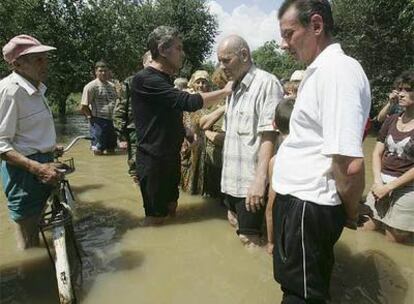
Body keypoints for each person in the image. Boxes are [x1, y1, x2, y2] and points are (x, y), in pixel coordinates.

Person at [272, 0, 371, 302]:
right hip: (300, 204)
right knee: (298, 288)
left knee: (303, 295)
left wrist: (350, 212)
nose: (283, 44)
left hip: (308, 205)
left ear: (316, 25)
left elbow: (349, 164)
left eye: (288, 34)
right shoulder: (321, 71)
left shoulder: (338, 72)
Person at [131, 26, 233, 226]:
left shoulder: (164, 79)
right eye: (178, 48)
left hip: (170, 158)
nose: (183, 53)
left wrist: (185, 132)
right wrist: (225, 92)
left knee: (171, 209)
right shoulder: (145, 79)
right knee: (155, 221)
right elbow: (186, 101)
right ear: (162, 50)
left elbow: (165, 115)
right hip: (153, 161)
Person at [217, 35, 283, 246]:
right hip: (230, 183)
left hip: (250, 184)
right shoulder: (232, 88)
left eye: (225, 60)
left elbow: (269, 135)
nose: (221, 66)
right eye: (219, 60)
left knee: (251, 239)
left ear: (244, 55)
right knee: (234, 225)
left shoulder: (267, 84)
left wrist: (259, 180)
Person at [0, 35, 63, 249]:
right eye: (38, 60)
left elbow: (28, 131)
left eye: (45, 58)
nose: (45, 65)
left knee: (37, 223)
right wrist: (36, 168)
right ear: (17, 64)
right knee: (28, 238)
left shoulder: (36, 88)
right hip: (24, 172)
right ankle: (29, 276)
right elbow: (1, 144)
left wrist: (50, 146)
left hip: (42, 163)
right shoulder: (10, 92)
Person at [362, 70, 414, 243]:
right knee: (365, 229)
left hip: (407, 188)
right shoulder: (391, 120)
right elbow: (376, 152)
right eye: (399, 89)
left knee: (393, 241)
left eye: (407, 90)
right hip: (381, 182)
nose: (400, 93)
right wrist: (378, 182)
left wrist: (390, 186)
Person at [113, 51, 152, 182]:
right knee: (136, 165)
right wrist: (121, 136)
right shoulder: (131, 82)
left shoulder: (163, 82)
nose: (153, 66)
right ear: (144, 63)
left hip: (154, 131)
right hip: (134, 129)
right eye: (150, 62)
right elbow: (120, 109)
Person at [265, 99, 294, 255]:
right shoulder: (320, 153)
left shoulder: (276, 161)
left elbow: (271, 206)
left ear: (274, 124)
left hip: (286, 224)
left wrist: (270, 242)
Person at [199, 67, 228, 198]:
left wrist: (207, 133)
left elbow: (228, 139)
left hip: (228, 162)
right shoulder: (218, 101)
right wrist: (223, 107)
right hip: (212, 159)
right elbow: (202, 123)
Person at [181, 70, 211, 194]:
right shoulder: (188, 98)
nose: (200, 85)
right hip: (189, 140)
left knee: (202, 169)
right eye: (198, 82)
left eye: (204, 82)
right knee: (188, 168)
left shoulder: (212, 101)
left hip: (205, 141)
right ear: (192, 83)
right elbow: (186, 120)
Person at [81, 61, 118, 155]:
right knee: (98, 150)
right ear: (95, 72)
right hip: (98, 121)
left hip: (111, 121)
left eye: (105, 71)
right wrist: (91, 118)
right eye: (100, 71)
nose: (103, 73)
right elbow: (84, 106)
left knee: (112, 149)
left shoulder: (112, 86)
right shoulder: (91, 86)